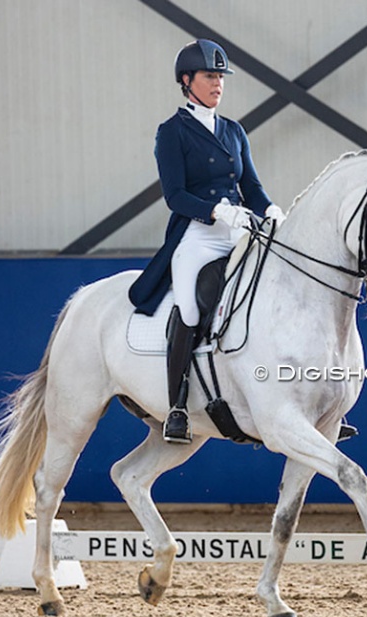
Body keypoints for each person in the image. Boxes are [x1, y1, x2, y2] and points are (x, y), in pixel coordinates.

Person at [128, 39, 286, 444]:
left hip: (240, 229)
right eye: (209, 76)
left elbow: (251, 185)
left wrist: (270, 210)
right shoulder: (172, 132)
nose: (218, 84)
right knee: (189, 305)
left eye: (220, 77)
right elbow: (175, 195)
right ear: (187, 81)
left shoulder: (233, 130)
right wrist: (216, 211)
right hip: (199, 235)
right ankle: (177, 405)